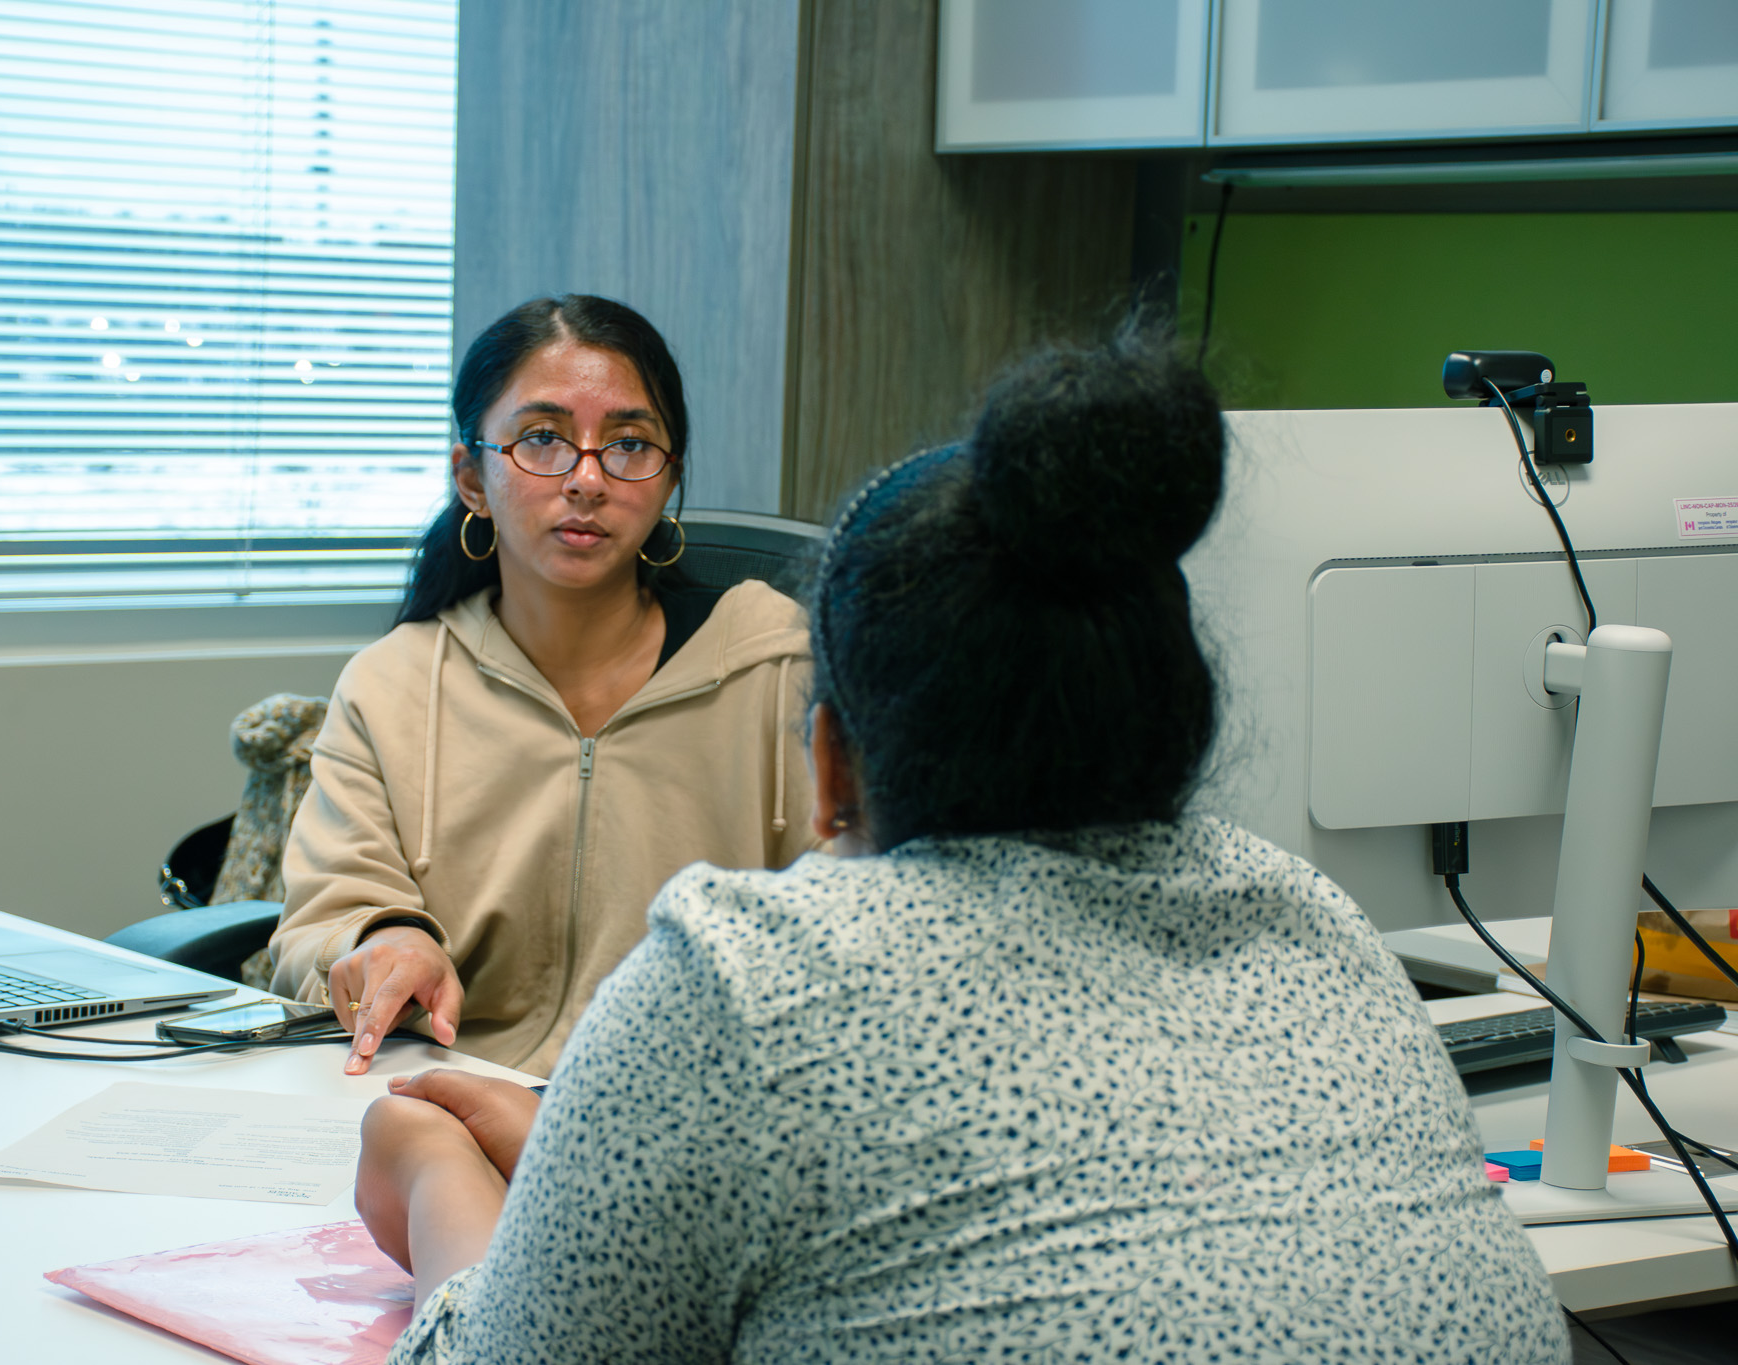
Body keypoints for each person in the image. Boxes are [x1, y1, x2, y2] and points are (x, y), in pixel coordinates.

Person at [355, 329, 1572, 1363]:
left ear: (829, 765)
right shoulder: (1317, 923)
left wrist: (431, 1175)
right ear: (1172, 718)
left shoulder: (744, 978)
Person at [270, 295, 816, 1076]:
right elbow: (325, 913)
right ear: (471, 477)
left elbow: (857, 901)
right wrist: (386, 940)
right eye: (542, 439)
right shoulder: (393, 685)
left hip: (693, 1110)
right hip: (448, 1089)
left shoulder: (778, 664)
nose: (588, 478)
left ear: (669, 479)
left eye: (629, 444)